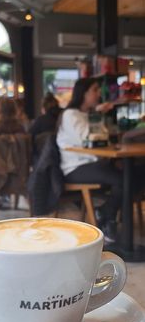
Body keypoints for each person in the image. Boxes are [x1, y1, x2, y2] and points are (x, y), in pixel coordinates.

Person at [57, 78, 122, 243]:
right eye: (95, 90)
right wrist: (98, 114)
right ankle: (108, 216)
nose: (99, 93)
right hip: (75, 168)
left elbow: (102, 138)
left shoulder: (85, 114)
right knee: (121, 178)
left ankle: (107, 213)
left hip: (91, 163)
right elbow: (90, 140)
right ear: (83, 93)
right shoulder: (71, 114)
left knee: (132, 173)